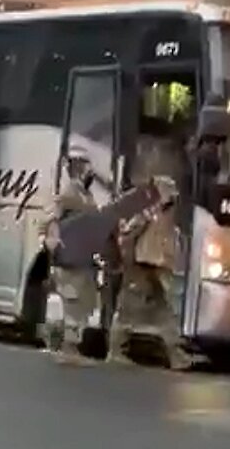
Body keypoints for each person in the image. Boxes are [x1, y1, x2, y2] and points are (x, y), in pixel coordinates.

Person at [107, 176, 194, 370]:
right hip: (140, 266)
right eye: (168, 193)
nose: (172, 198)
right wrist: (127, 261)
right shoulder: (147, 212)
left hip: (155, 267)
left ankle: (176, 354)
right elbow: (128, 234)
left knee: (164, 312)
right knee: (128, 309)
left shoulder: (167, 215)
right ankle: (115, 351)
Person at [43, 147, 101, 363]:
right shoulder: (68, 194)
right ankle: (68, 349)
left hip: (84, 260)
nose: (91, 173)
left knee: (85, 303)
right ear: (79, 170)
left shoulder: (85, 195)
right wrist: (55, 244)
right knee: (73, 303)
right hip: (71, 260)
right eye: (87, 168)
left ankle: (72, 347)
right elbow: (51, 219)